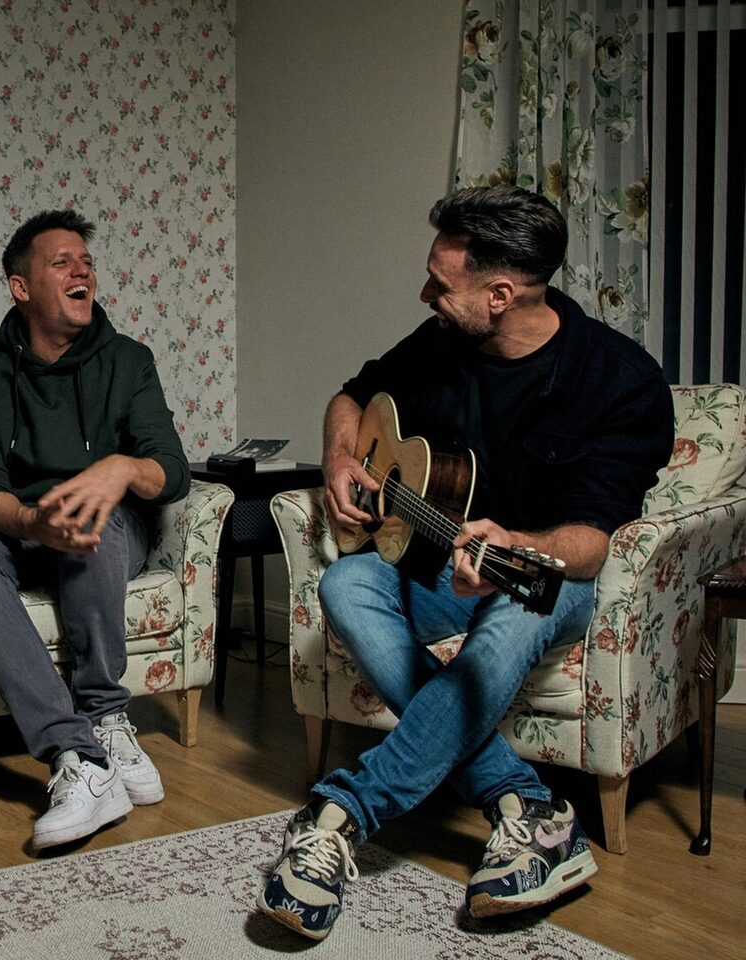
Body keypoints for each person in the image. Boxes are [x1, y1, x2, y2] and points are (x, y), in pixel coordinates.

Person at [257, 185, 673, 939]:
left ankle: (342, 814)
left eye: (440, 284)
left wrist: (520, 547)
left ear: (501, 294)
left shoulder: (619, 379)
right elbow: (351, 396)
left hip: (545, 580)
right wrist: (341, 458)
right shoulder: (440, 343)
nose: (426, 296)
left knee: (525, 599)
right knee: (348, 581)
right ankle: (527, 804)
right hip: (437, 572)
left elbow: (592, 540)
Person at [0, 210, 190, 850]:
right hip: (23, 530)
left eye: (86, 262)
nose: (83, 271)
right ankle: (77, 754)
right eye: (62, 263)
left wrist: (122, 468)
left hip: (109, 529)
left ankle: (106, 716)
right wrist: (31, 520)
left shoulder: (129, 360)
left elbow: (172, 471)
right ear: (20, 287)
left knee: (93, 520)